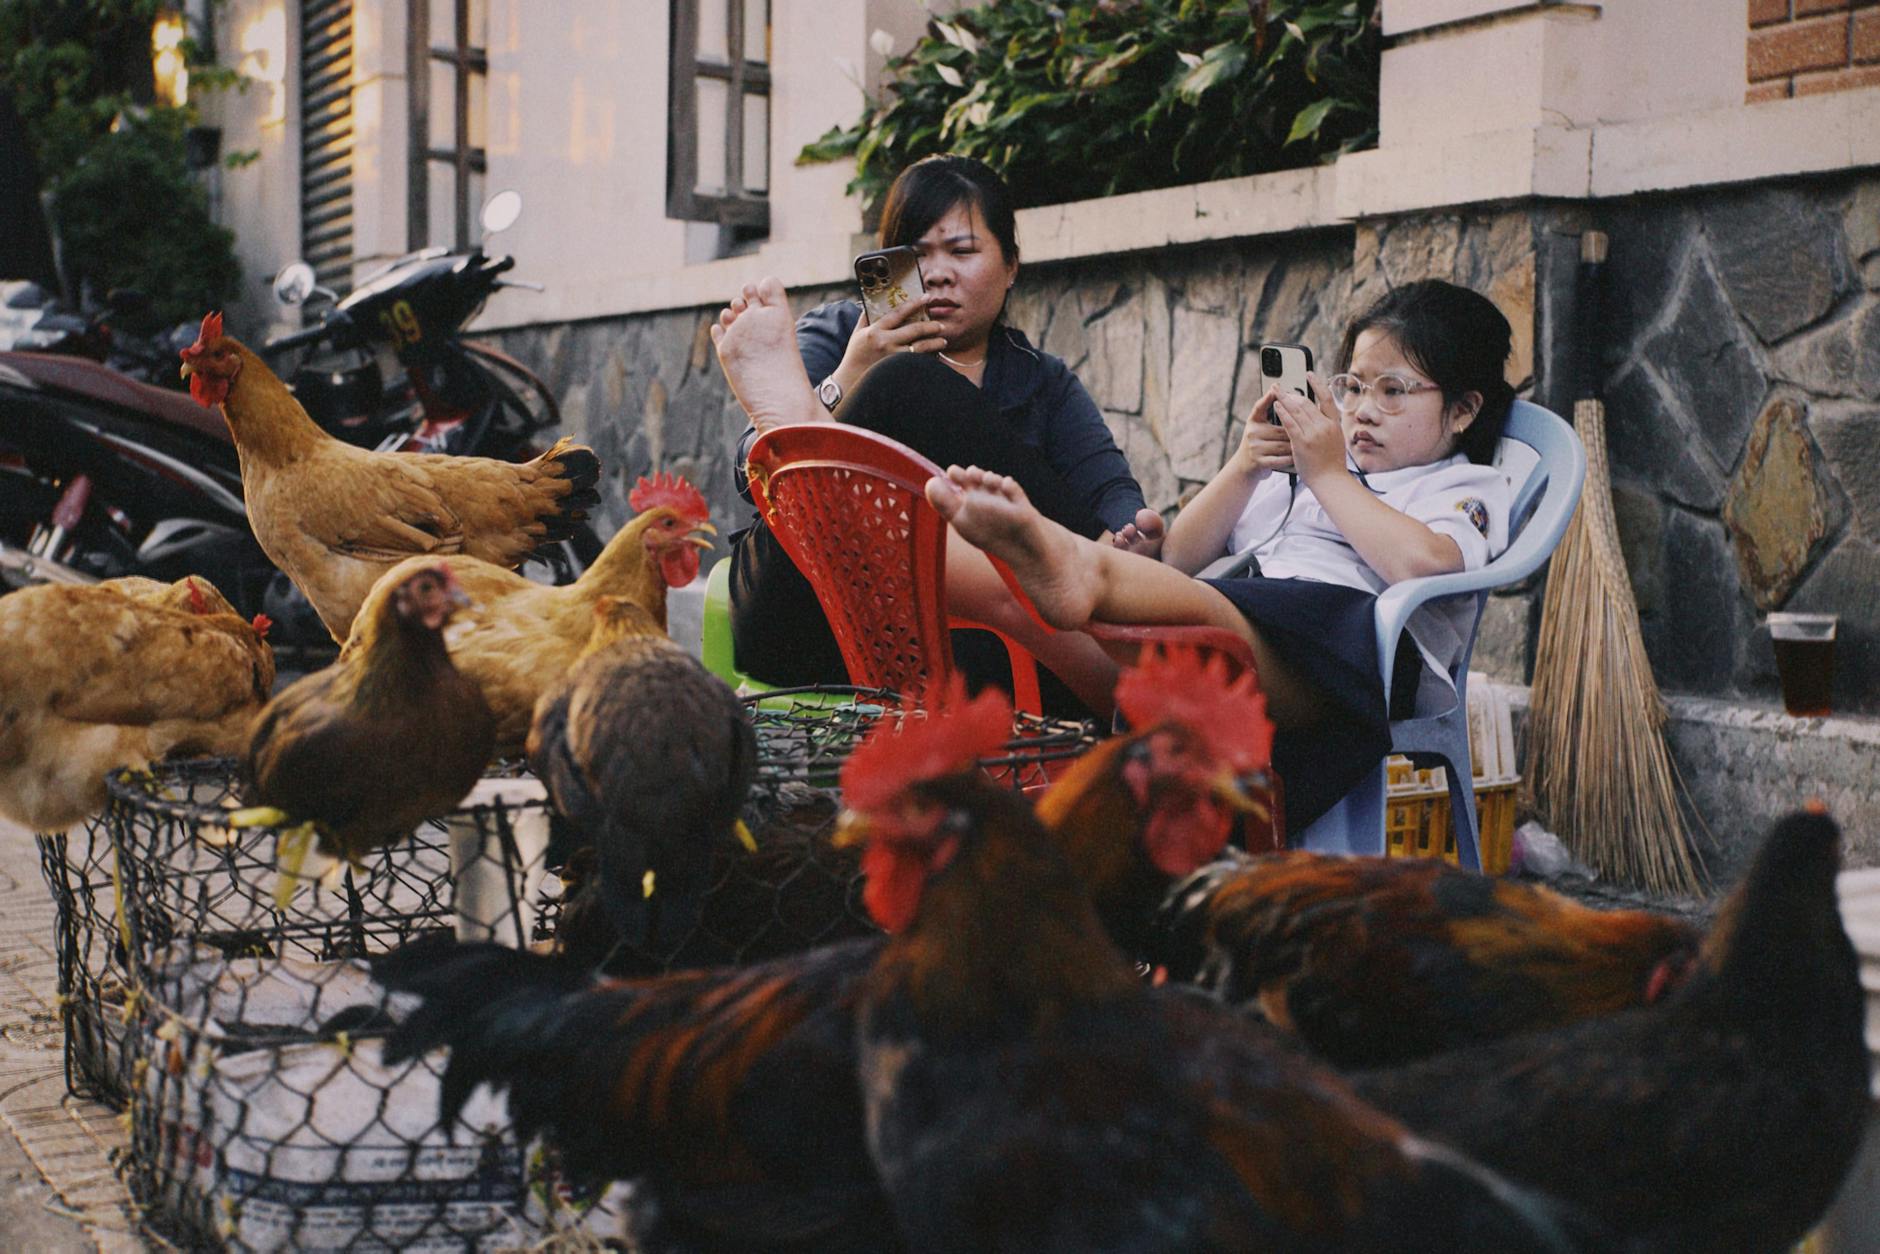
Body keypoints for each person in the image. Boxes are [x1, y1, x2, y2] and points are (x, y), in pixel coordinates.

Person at [712, 276, 1516, 832]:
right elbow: (1181, 565)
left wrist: (1330, 474)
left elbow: (1422, 567)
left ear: (1463, 410)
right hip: (1200, 646)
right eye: (1352, 386)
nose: (1362, 409)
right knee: (989, 587)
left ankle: (1058, 560)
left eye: (1394, 390)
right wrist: (1244, 466)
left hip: (1335, 665)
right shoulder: (1300, 478)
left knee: (1165, 605)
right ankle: (833, 513)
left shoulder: (1457, 484)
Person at [715, 155, 1160, 709]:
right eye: (917, 254)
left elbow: (1109, 491)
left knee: (1001, 656)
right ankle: (803, 422)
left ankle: (804, 427)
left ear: (1012, 266)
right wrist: (849, 379)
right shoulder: (834, 334)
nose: (938, 272)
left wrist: (1128, 535)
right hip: (806, 611)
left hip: (957, 636)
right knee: (900, 380)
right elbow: (745, 469)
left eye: (962, 251)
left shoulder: (1041, 382)